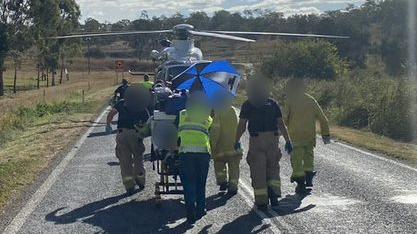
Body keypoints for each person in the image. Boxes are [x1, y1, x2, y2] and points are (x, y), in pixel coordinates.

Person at [235, 79, 293, 211]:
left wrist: (236, 140)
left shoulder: (248, 105)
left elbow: (242, 125)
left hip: (257, 140)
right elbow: (281, 124)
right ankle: (274, 193)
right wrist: (288, 141)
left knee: (258, 169)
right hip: (273, 139)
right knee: (273, 166)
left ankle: (262, 201)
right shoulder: (272, 103)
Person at [284, 79, 330, 194]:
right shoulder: (311, 100)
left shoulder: (290, 100)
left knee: (297, 159)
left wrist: (279, 131)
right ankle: (309, 176)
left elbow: (284, 118)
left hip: (295, 136)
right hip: (309, 136)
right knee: (309, 156)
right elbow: (323, 118)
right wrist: (326, 134)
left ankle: (300, 183)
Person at [106, 85, 151, 195]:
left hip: (122, 134)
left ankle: (129, 185)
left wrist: (108, 124)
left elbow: (111, 113)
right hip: (136, 134)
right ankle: (140, 180)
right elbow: (148, 120)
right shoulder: (142, 104)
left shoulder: (122, 103)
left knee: (124, 161)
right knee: (138, 158)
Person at [177, 90, 213, 224]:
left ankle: (190, 210)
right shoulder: (206, 116)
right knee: (201, 182)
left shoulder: (181, 114)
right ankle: (201, 208)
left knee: (188, 183)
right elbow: (210, 130)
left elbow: (176, 132)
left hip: (186, 153)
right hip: (203, 153)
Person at [210, 103, 242, 195]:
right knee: (234, 167)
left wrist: (213, 144)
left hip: (222, 146)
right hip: (235, 145)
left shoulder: (219, 112)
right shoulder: (234, 111)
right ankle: (233, 186)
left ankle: (222, 181)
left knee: (219, 164)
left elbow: (216, 130)